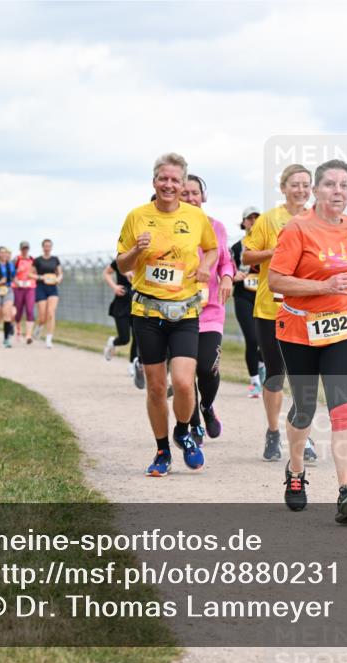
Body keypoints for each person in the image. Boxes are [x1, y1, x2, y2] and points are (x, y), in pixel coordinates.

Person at [268, 159, 347, 524]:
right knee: (303, 409)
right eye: (329, 185)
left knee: (342, 407)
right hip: (299, 328)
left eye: (344, 185)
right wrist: (323, 287)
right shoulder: (297, 228)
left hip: (343, 327)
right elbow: (277, 281)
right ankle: (296, 472)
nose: (337, 191)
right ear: (315, 190)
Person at [116, 152, 218, 477]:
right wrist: (136, 251)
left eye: (175, 180)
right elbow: (122, 264)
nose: (169, 185)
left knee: (185, 384)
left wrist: (204, 266)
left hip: (185, 311)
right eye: (164, 179)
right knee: (157, 387)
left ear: (183, 183)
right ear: (154, 181)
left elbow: (213, 248)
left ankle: (183, 431)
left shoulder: (196, 218)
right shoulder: (137, 216)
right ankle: (162, 450)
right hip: (147, 311)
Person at [241, 163, 318, 464]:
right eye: (294, 184)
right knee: (275, 375)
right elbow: (247, 256)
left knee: (304, 379)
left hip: (307, 310)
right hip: (271, 309)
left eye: (305, 184)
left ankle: (302, 433)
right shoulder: (269, 219)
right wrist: (275, 252)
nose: (300, 190)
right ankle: (273, 431)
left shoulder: (318, 219)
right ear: (283, 187)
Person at [179, 174, 235, 446]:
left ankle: (207, 405)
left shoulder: (217, 227)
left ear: (204, 196)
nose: (190, 199)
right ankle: (195, 426)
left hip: (211, 310)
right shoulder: (172, 228)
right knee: (185, 373)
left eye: (194, 193)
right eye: (185, 194)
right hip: (178, 310)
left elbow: (226, 262)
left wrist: (226, 277)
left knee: (207, 369)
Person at [230, 206, 264, 398]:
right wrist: (235, 275)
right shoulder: (236, 247)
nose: (253, 221)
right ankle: (255, 382)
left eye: (256, 218)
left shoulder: (268, 244)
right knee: (252, 339)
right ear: (243, 223)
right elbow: (227, 269)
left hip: (264, 296)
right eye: (249, 218)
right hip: (243, 296)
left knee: (268, 341)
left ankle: (262, 365)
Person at [101, 261, 145, 382]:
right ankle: (113, 342)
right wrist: (114, 287)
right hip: (121, 303)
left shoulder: (145, 258)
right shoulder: (121, 261)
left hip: (138, 303)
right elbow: (106, 273)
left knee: (137, 337)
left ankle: (132, 365)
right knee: (125, 338)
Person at [34, 239, 62, 349]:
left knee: (51, 313)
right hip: (41, 287)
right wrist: (41, 277)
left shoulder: (55, 259)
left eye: (49, 246)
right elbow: (30, 275)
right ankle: (40, 326)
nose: (47, 248)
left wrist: (58, 279)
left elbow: (60, 273)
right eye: (45, 246)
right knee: (42, 316)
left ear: (51, 247)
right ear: (43, 247)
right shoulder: (37, 260)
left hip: (52, 288)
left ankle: (49, 339)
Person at [12, 241, 37, 344]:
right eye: (23, 248)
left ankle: (28, 335)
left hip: (30, 287)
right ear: (20, 249)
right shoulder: (16, 259)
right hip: (18, 287)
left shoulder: (32, 260)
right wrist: (16, 280)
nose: (25, 250)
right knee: (18, 311)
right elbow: (11, 272)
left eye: (26, 248)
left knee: (30, 310)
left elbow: (35, 272)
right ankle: (18, 332)